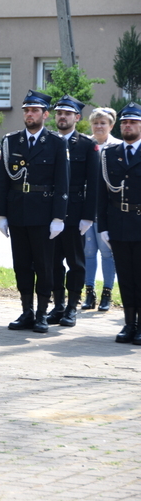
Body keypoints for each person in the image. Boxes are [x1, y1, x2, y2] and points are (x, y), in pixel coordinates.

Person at [0, 90, 69, 333]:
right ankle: (26, 311)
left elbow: (62, 182)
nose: (29, 114)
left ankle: (41, 313)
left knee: (44, 265)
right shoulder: (11, 141)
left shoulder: (56, 143)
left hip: (43, 213)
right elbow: (3, 181)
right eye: (27, 110)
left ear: (45, 115)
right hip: (18, 211)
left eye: (35, 110)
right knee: (21, 265)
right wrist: (1, 214)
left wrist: (58, 217)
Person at [47, 95, 99, 328]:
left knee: (75, 263)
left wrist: (88, 216)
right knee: (52, 262)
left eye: (67, 114)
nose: (62, 117)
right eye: (59, 113)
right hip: (50, 211)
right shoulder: (49, 141)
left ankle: (71, 308)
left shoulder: (87, 145)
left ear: (77, 117)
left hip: (75, 213)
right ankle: (58, 305)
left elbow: (94, 184)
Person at [97, 103, 141, 344]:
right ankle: (129, 323)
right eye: (125, 122)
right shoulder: (109, 154)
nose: (128, 126)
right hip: (119, 223)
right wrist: (103, 227)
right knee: (125, 276)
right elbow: (101, 194)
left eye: (133, 122)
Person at [83, 107, 121, 311]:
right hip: (87, 206)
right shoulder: (86, 144)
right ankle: (89, 292)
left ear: (111, 126)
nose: (99, 126)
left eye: (103, 123)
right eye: (95, 123)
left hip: (107, 207)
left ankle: (107, 293)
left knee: (107, 252)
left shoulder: (118, 146)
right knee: (88, 251)